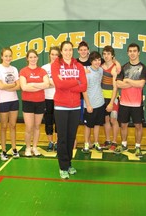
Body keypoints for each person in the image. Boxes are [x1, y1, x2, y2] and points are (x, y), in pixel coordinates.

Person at [51, 41, 87, 179]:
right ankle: (62, 166)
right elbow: (59, 85)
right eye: (65, 50)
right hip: (60, 106)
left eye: (70, 50)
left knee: (71, 137)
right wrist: (76, 81)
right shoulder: (56, 65)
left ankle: (69, 163)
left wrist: (69, 83)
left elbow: (84, 86)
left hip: (76, 106)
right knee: (63, 138)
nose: (68, 52)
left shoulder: (78, 65)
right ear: (61, 51)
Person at [115, 43, 146, 157]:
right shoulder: (124, 67)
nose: (132, 53)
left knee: (138, 126)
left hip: (136, 103)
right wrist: (133, 83)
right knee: (123, 125)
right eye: (130, 51)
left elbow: (142, 84)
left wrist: (128, 80)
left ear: (138, 53)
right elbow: (118, 83)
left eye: (135, 51)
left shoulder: (143, 68)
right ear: (127, 53)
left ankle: (137, 147)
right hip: (124, 102)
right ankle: (124, 144)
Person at [20, 49, 50, 157]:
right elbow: (24, 87)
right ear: (27, 59)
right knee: (29, 127)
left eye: (34, 57)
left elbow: (46, 84)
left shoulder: (42, 71)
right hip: (28, 102)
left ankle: (35, 147)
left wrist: (32, 84)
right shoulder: (23, 71)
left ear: (37, 58)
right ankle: (28, 148)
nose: (33, 59)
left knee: (37, 126)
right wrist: (39, 85)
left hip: (40, 102)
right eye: (30, 57)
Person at [0, 48, 20, 161]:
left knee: (13, 126)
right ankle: (3, 151)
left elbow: (18, 86)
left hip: (14, 100)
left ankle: (14, 149)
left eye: (10, 56)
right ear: (2, 56)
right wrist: (12, 85)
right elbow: (0, 86)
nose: (8, 58)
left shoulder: (14, 69)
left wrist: (8, 86)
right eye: (6, 56)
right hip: (2, 101)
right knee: (3, 127)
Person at [81, 51, 105, 153]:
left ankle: (96, 142)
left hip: (100, 103)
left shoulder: (101, 70)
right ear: (91, 61)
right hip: (89, 105)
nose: (97, 62)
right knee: (88, 126)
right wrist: (88, 105)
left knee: (97, 125)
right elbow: (84, 90)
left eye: (99, 60)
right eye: (95, 60)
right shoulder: (86, 72)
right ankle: (86, 143)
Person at [42, 46, 60, 152]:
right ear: (49, 55)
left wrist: (50, 83)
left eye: (56, 55)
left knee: (58, 121)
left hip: (59, 98)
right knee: (48, 121)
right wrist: (55, 83)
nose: (54, 57)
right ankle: (50, 142)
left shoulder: (62, 67)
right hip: (47, 98)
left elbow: (62, 84)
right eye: (52, 54)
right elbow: (44, 84)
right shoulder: (44, 68)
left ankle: (57, 142)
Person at [101, 45, 119, 151]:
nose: (106, 56)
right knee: (105, 120)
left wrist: (111, 102)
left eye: (108, 54)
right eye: (104, 54)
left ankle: (114, 141)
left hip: (113, 98)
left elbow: (115, 87)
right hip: (102, 98)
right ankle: (107, 140)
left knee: (113, 120)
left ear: (112, 55)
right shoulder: (101, 66)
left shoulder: (115, 68)